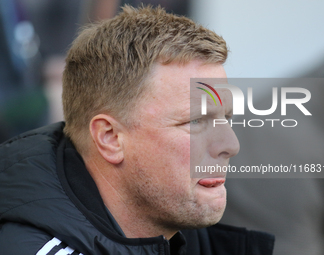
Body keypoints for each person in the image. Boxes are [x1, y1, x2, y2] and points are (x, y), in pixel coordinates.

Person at [0, 5, 275, 255]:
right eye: (195, 122)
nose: (231, 145)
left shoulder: (181, 227)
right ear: (110, 138)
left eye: (226, 117)